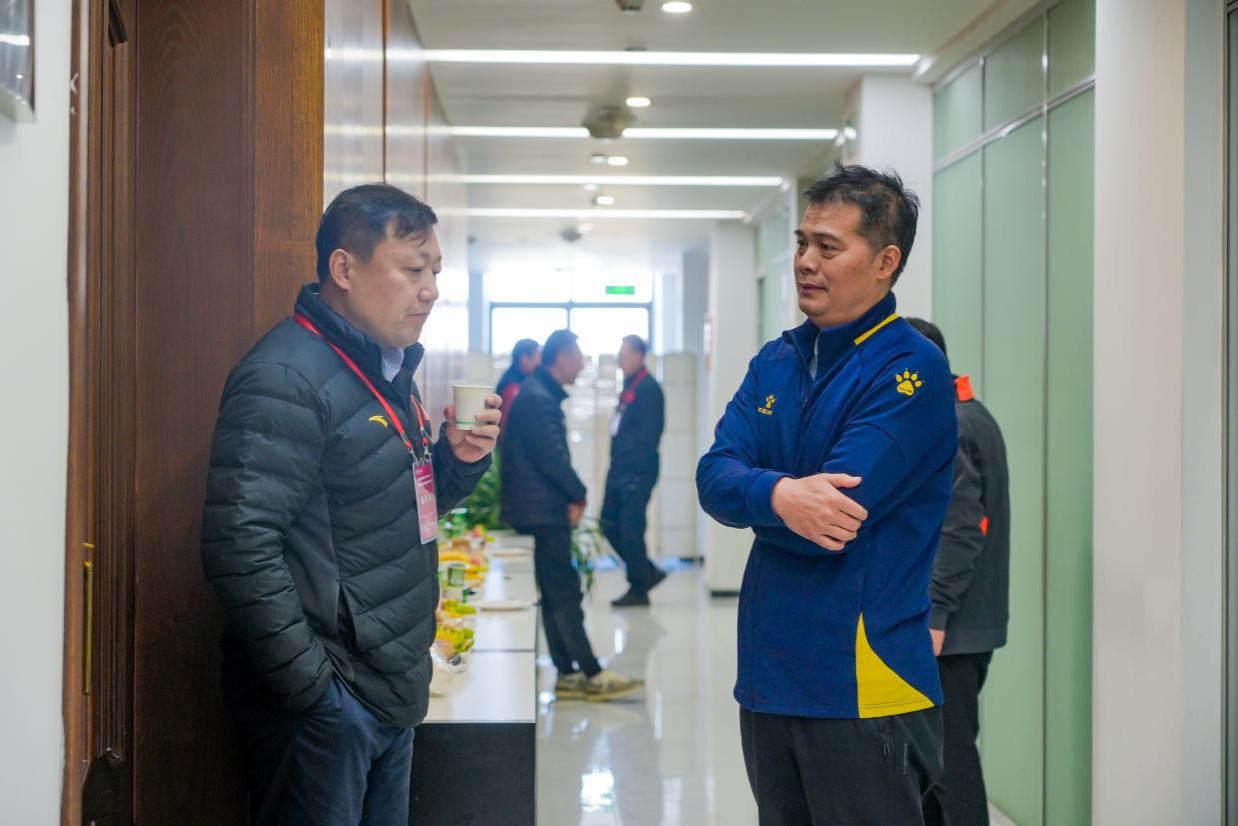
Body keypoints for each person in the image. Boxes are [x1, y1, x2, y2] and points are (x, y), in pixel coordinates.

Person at [200, 183, 501, 826]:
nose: (430, 290)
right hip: (332, 701)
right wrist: (314, 690)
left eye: (436, 271)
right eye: (413, 270)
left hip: (388, 684)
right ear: (344, 268)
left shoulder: (385, 370)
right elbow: (240, 543)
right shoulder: (287, 375)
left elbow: (402, 509)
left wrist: (456, 460)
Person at [697, 163, 956, 825]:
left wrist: (755, 494)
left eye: (828, 247)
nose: (806, 262)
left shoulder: (910, 368)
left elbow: (834, 522)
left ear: (885, 262)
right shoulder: (777, 360)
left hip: (862, 682)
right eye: (802, 243)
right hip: (769, 676)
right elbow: (712, 477)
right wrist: (782, 496)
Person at [500, 329, 644, 702]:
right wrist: (578, 493)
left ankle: (567, 674)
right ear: (561, 358)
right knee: (564, 592)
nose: (581, 364)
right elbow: (552, 458)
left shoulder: (537, 393)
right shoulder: (538, 398)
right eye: (578, 356)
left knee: (554, 593)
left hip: (536, 508)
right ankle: (591, 675)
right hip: (542, 511)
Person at [906, 318, 1011, 826]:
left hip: (950, 629)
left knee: (949, 764)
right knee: (938, 758)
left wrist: (936, 614)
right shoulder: (971, 413)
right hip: (966, 624)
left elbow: (961, 529)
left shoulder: (951, 425)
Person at [600, 335, 668, 607]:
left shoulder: (649, 389)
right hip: (619, 469)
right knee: (608, 523)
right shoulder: (630, 385)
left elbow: (649, 437)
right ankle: (647, 572)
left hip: (636, 472)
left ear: (639, 356)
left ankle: (639, 588)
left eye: (625, 354)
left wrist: (634, 473)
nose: (620, 359)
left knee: (631, 529)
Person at [495, 338, 540, 439]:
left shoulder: (522, 382)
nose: (539, 363)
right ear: (524, 358)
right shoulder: (513, 388)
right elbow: (506, 427)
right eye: (536, 358)